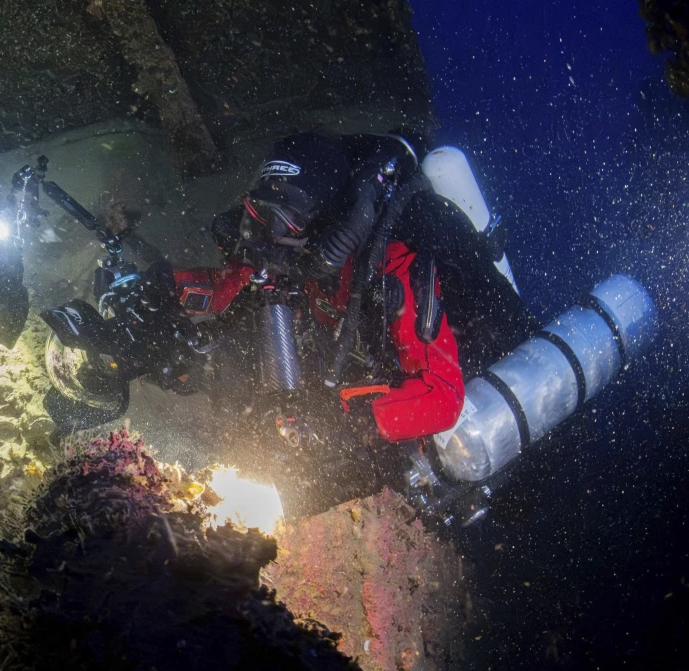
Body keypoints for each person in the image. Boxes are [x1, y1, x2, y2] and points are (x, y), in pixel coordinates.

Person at [171, 132, 537, 448]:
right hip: (343, 369)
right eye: (260, 212)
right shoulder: (287, 244)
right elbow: (230, 284)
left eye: (287, 221)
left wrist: (347, 418)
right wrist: (161, 291)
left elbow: (442, 397)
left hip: (447, 383)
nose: (269, 235)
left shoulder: (394, 261)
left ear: (328, 222)